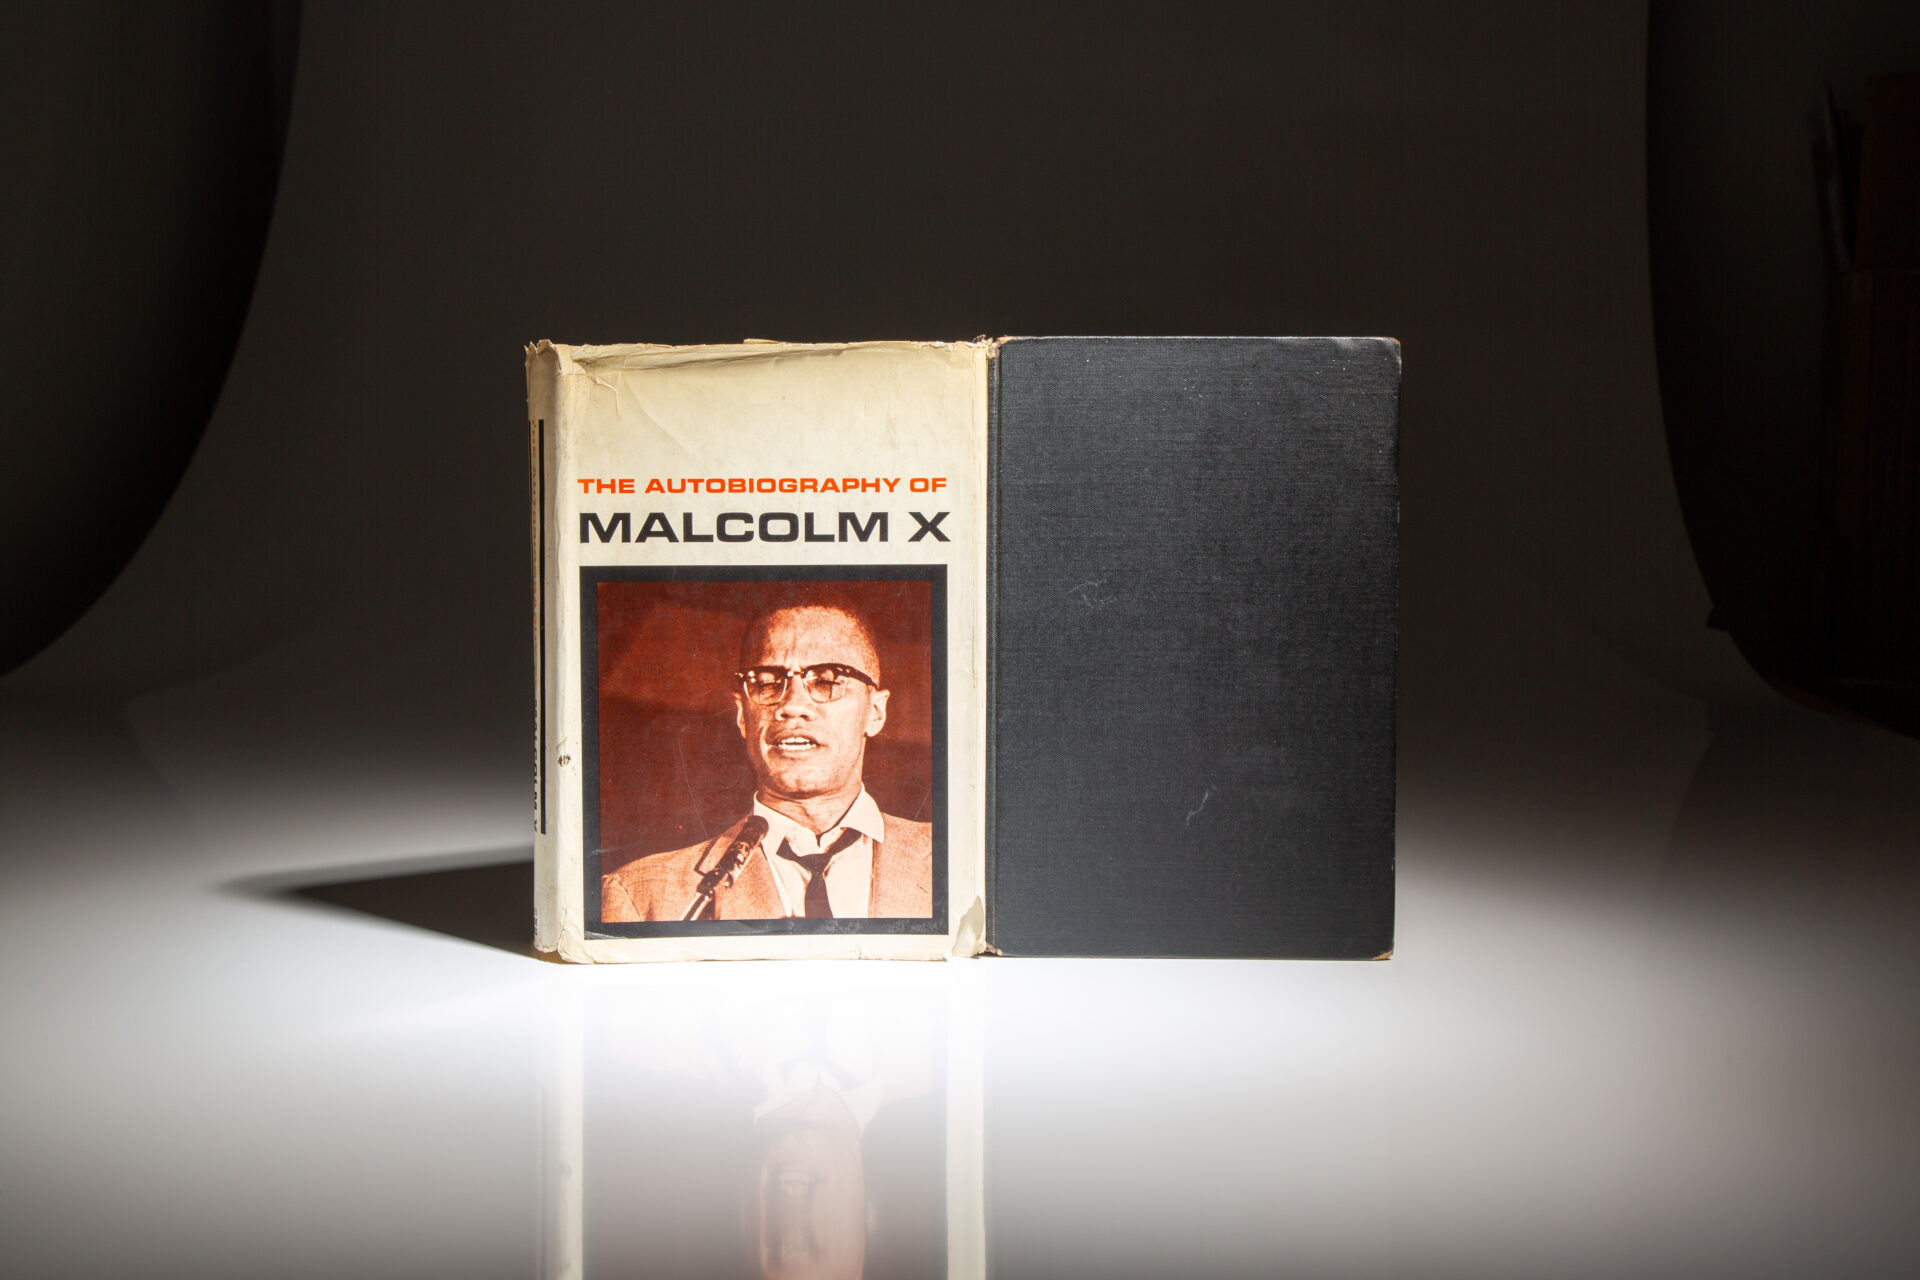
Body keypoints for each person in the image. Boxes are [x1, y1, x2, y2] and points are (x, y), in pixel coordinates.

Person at [601, 602, 934, 921]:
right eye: (766, 683)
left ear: (875, 712)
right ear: (742, 717)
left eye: (827, 680)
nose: (792, 705)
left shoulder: (954, 858)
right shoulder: (639, 896)